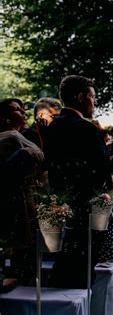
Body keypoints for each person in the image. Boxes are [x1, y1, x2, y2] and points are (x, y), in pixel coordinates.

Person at [43, 75, 113, 289]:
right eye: (92, 96)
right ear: (80, 97)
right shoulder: (84, 128)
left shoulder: (53, 127)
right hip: (85, 210)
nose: (95, 102)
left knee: (64, 263)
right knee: (81, 269)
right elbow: (109, 163)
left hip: (62, 205)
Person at [0, 98, 44, 286]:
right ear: (5, 117)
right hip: (17, 199)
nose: (23, 112)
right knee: (23, 245)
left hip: (25, 196)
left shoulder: (18, 135)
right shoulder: (11, 137)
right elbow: (41, 157)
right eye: (17, 110)